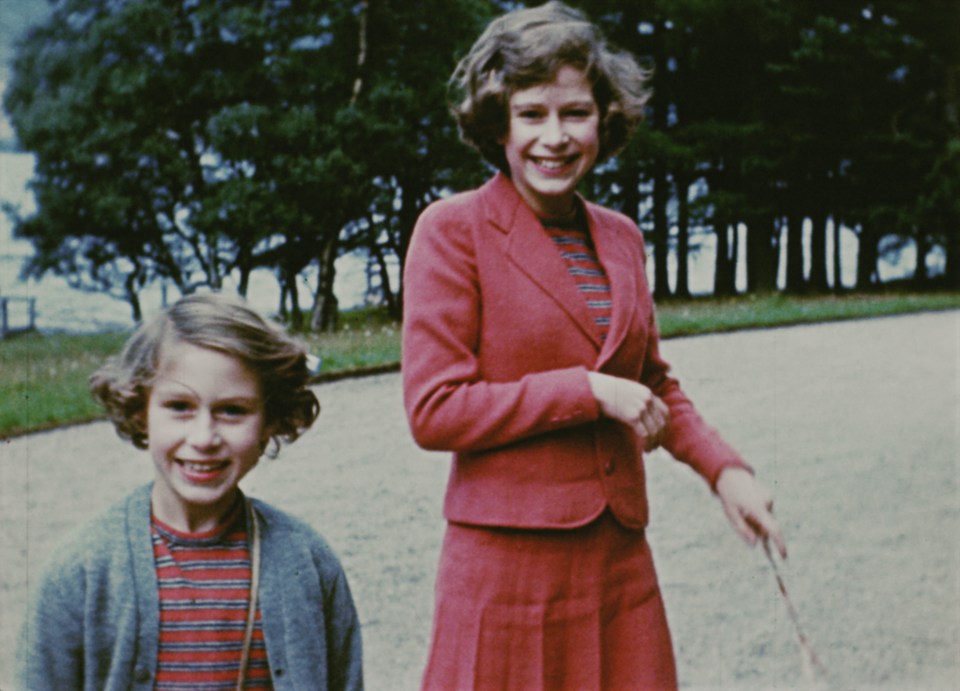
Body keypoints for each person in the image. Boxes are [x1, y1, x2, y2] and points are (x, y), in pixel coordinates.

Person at [401, 2, 787, 689]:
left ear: (604, 121)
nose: (555, 136)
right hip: (507, 568)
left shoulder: (620, 237)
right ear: (499, 123)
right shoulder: (451, 230)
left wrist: (726, 471)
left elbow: (654, 383)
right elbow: (436, 409)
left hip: (617, 561)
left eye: (575, 113)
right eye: (532, 114)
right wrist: (585, 391)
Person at [16, 292, 363, 691]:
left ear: (270, 420)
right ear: (140, 410)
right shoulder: (81, 572)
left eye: (233, 410)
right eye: (179, 406)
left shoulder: (308, 563)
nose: (204, 437)